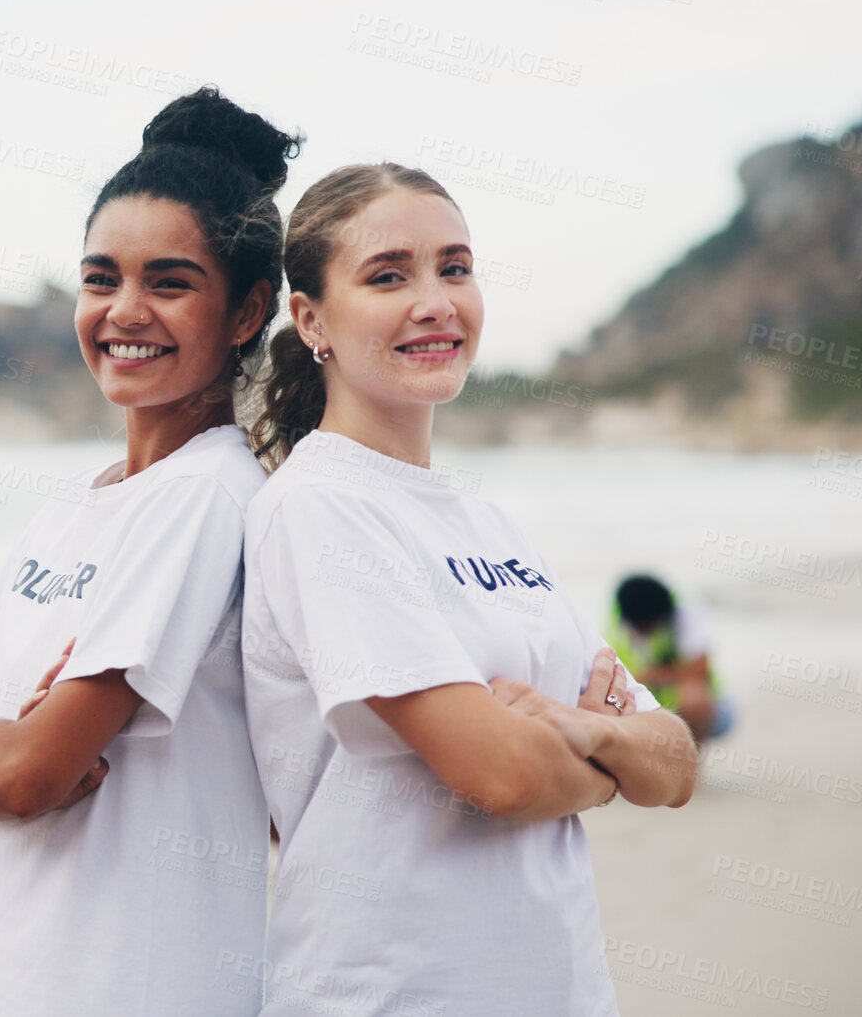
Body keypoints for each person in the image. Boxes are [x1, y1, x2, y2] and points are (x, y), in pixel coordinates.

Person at [0, 86, 297, 1016]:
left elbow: (24, 775)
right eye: (101, 278)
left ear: (245, 311)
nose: (124, 310)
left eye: (170, 282)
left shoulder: (208, 497)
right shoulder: (74, 507)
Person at [241, 163, 698, 1016]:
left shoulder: (486, 524)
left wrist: (567, 726)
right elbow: (500, 774)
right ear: (310, 319)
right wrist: (606, 751)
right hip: (390, 992)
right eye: (388, 275)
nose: (435, 300)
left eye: (453, 267)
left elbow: (674, 763)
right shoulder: (316, 509)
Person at [606, 573, 732, 741]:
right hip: (645, 708)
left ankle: (688, 758)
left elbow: (699, 671)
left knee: (693, 697)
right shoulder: (618, 619)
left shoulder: (686, 613)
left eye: (646, 627)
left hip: (711, 710)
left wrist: (649, 676)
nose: (641, 632)